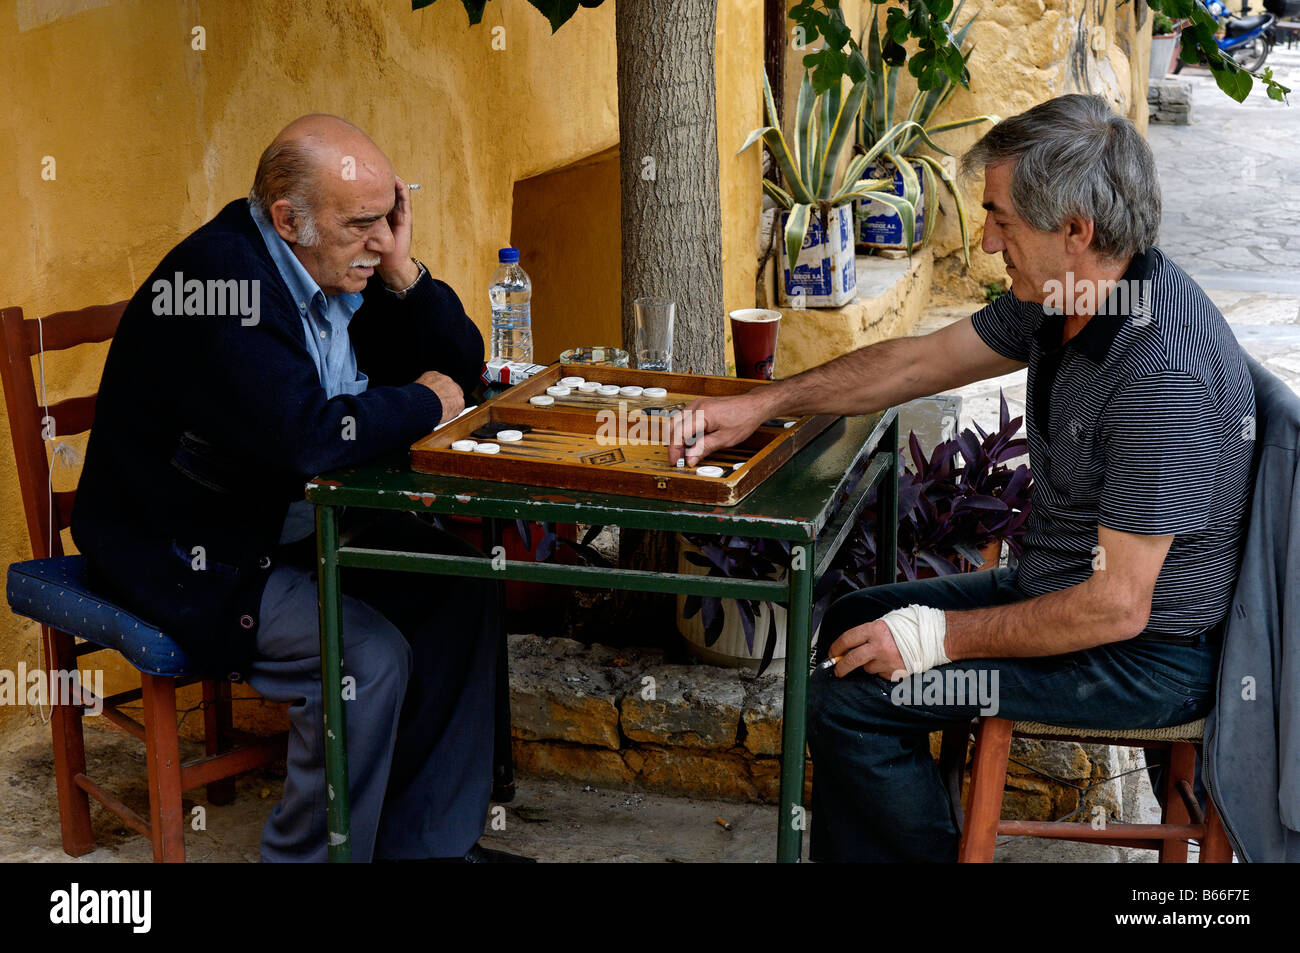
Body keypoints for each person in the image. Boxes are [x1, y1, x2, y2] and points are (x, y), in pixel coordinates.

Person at [669, 94, 1255, 862]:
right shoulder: (1070, 294)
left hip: (1145, 658)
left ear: (1076, 230)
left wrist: (936, 637)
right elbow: (918, 362)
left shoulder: (1161, 371)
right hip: (1061, 593)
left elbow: (1116, 606)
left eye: (1002, 221)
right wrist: (764, 404)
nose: (985, 241)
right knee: (853, 623)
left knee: (854, 697)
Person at [72, 114, 530, 862]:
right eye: (363, 223)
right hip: (191, 549)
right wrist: (421, 402)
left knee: (461, 583)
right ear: (288, 219)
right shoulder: (220, 287)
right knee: (367, 656)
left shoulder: (337, 261)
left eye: (392, 216)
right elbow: (307, 436)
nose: (379, 238)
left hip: (289, 523)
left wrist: (403, 272)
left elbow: (462, 365)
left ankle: (425, 849)